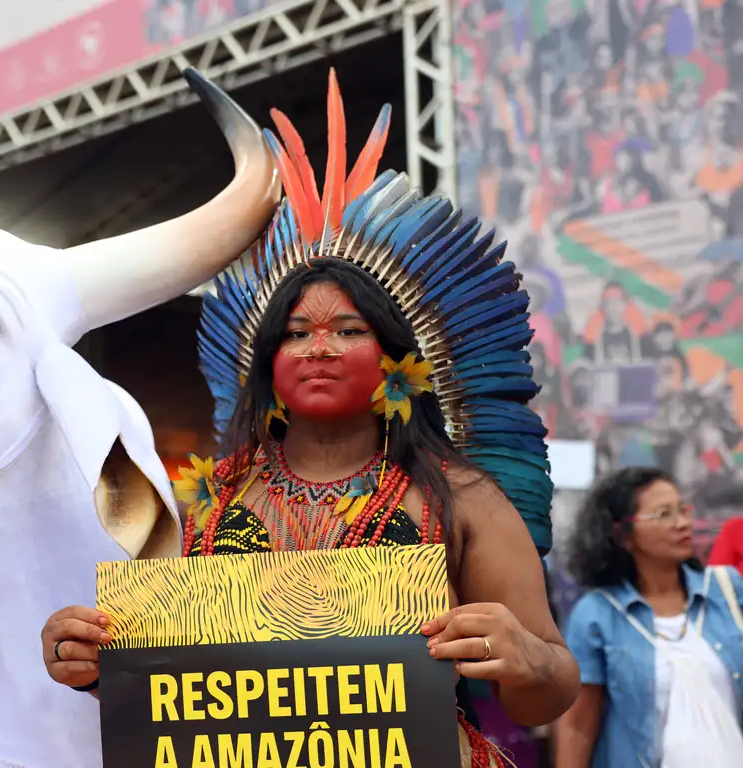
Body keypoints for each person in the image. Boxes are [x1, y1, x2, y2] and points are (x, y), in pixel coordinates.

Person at [41, 69, 579, 766]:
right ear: (266, 364)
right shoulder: (208, 504)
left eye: (347, 331)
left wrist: (525, 658)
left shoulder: (462, 497)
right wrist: (86, 657)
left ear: (395, 355)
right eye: (295, 334)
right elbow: (159, 686)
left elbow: (549, 693)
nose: (318, 346)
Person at [553, 467, 743, 767]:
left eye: (683, 510)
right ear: (622, 535)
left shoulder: (726, 589)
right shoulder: (598, 615)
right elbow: (577, 726)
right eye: (663, 514)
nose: (682, 523)